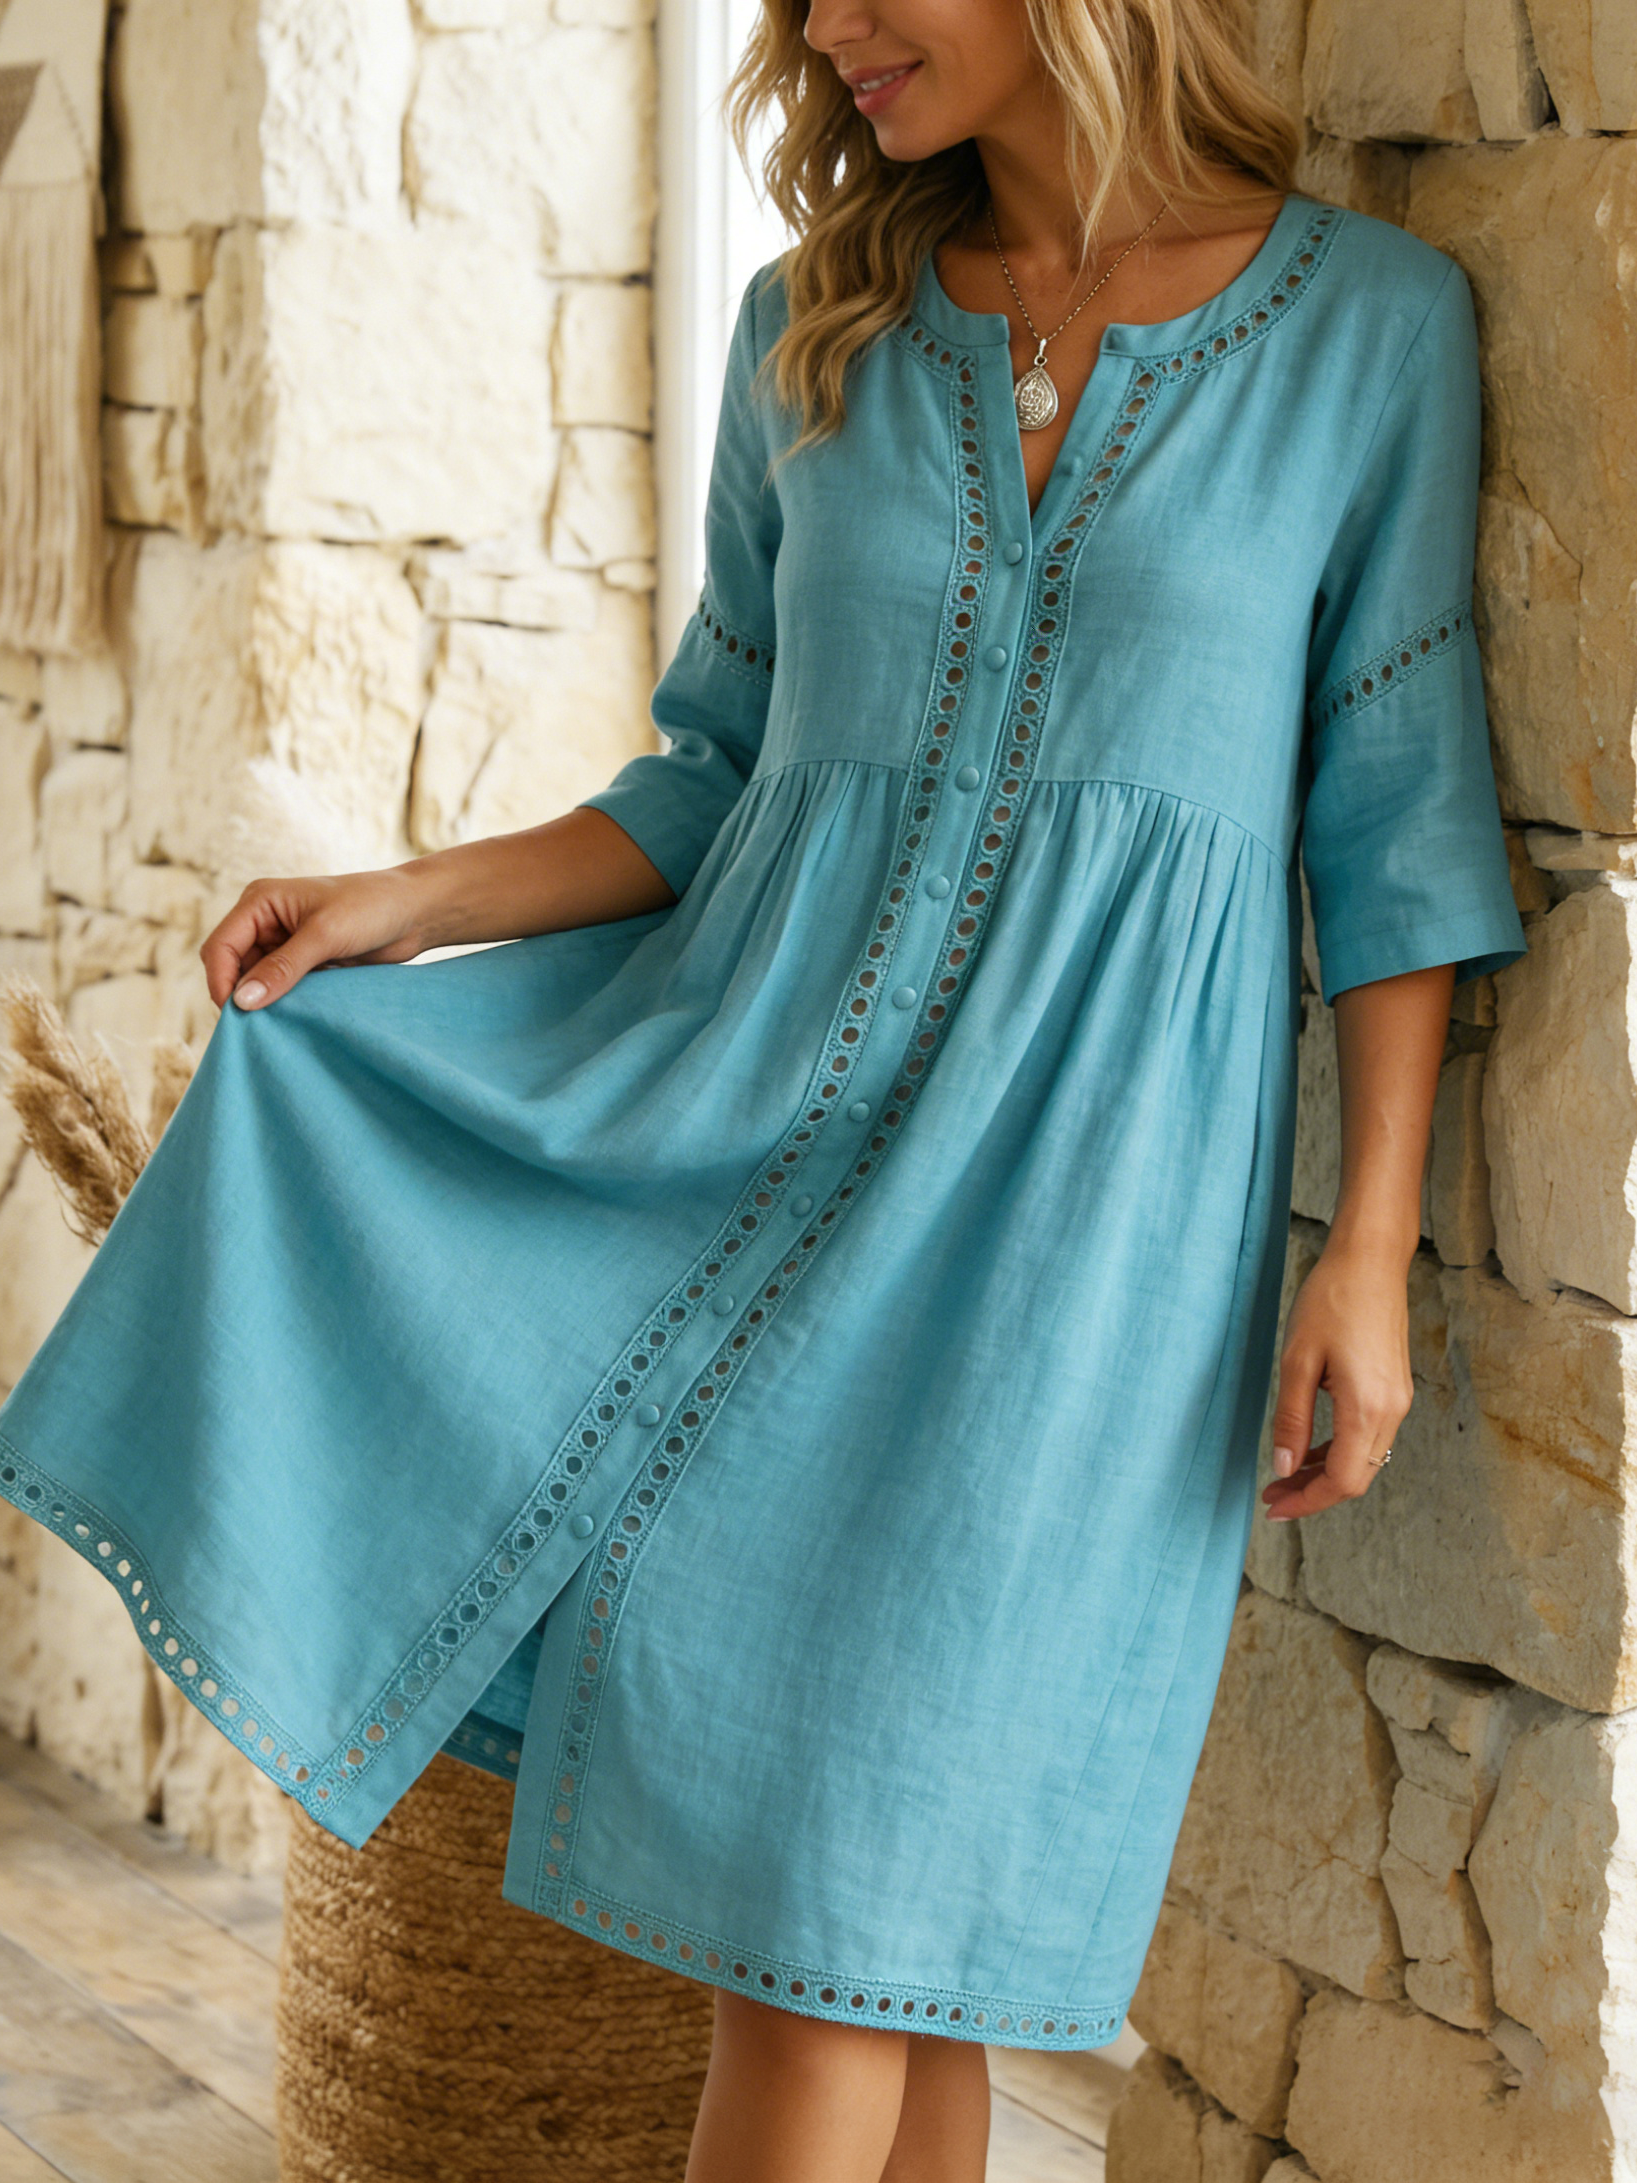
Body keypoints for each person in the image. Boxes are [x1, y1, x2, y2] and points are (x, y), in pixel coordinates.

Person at [0, 1, 1528, 2178]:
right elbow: (711, 771)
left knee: (869, 1951)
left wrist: (1368, 1246)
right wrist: (403, 904)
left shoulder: (1367, 332)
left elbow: (1397, 828)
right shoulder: (814, 327)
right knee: (847, 1969)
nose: (821, 29)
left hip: (1079, 1253)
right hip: (758, 1183)